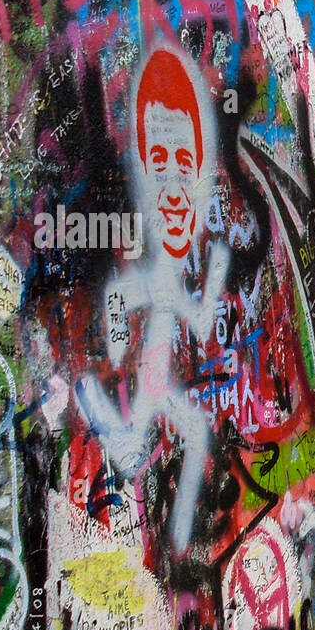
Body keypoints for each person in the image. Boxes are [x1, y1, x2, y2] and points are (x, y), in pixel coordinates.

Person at [76, 48, 229, 554]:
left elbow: (201, 318)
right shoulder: (155, 272)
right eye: (157, 161)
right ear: (140, 168)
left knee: (189, 437)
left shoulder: (170, 273)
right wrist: (118, 342)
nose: (171, 185)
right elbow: (127, 294)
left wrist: (214, 276)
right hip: (151, 375)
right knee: (155, 437)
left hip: (157, 379)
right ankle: (106, 417)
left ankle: (180, 540)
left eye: (185, 162)